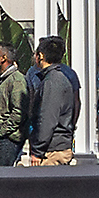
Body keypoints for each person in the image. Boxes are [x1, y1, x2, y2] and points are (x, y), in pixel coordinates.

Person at [27, 36, 79, 166]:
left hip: (52, 150)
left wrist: (38, 151)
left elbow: (47, 119)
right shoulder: (58, 77)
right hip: (55, 145)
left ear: (41, 56)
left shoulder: (52, 82)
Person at [0, 41, 26, 167]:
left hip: (8, 140)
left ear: (4, 58)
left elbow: (19, 111)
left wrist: (2, 132)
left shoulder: (16, 80)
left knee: (2, 176)